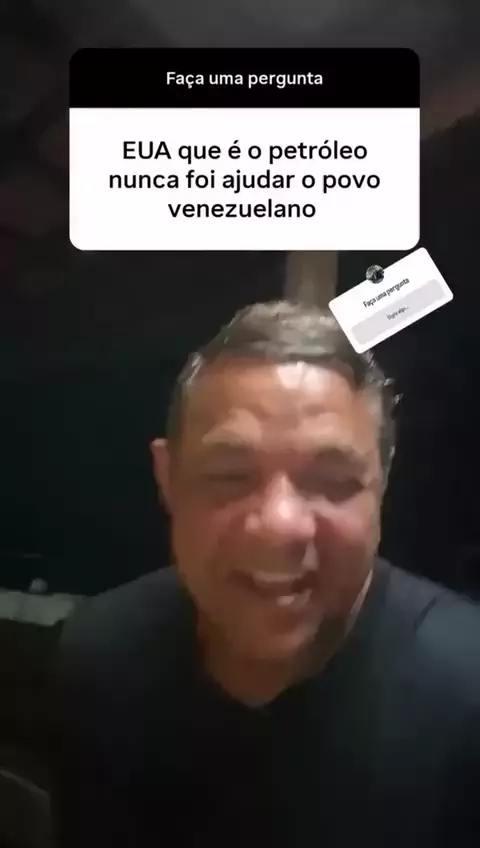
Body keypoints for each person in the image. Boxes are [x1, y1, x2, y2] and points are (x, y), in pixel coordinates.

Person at [51, 301, 480, 847]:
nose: (279, 526)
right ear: (168, 477)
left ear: (383, 484)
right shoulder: (99, 658)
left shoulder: (466, 696)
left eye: (333, 480)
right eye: (229, 475)